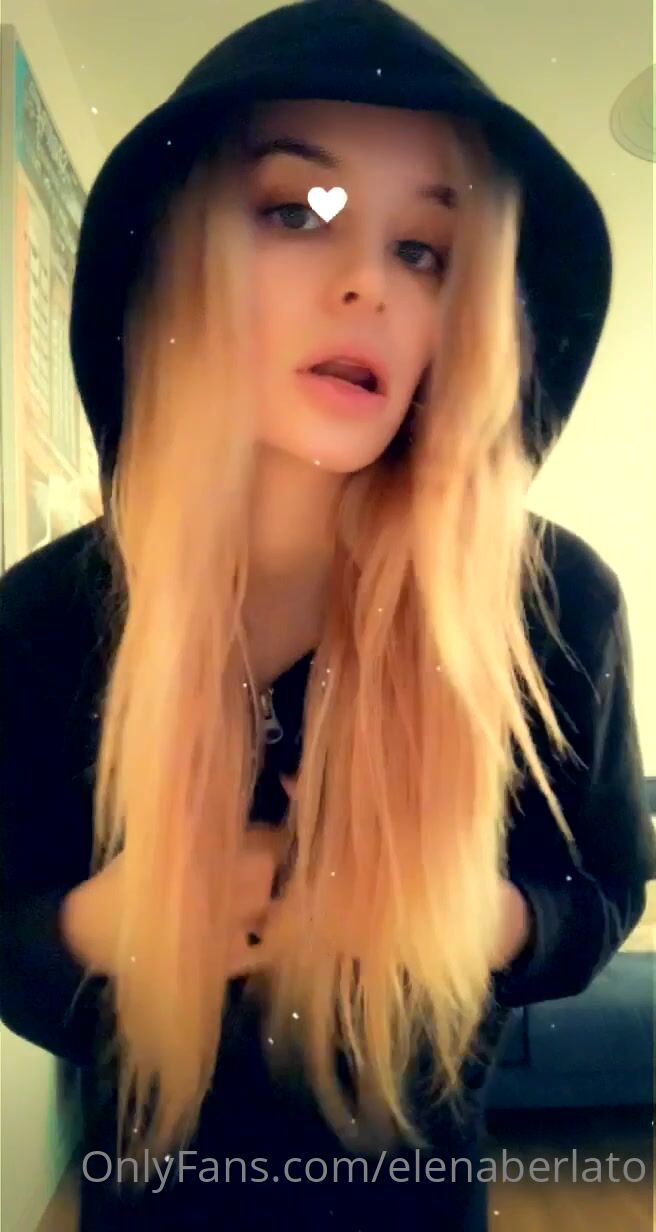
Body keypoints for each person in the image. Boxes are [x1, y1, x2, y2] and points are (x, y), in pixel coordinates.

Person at [1, 1, 655, 1228]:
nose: (367, 283)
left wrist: (476, 918)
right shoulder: (39, 619)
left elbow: (604, 886)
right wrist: (107, 924)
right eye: (296, 211)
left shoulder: (557, 601)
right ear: (175, 253)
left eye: (424, 249)